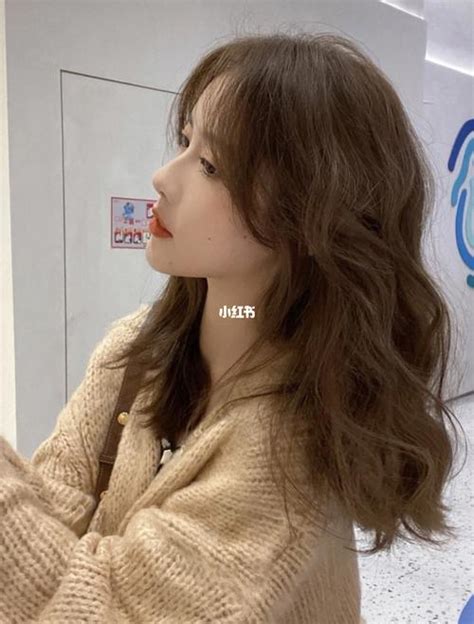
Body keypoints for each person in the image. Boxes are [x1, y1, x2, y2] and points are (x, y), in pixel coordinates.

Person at [0, 30, 464, 623]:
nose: (163, 177)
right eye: (184, 140)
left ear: (310, 219)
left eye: (211, 166)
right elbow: (54, 501)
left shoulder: (289, 449)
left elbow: (107, 608)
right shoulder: (136, 349)